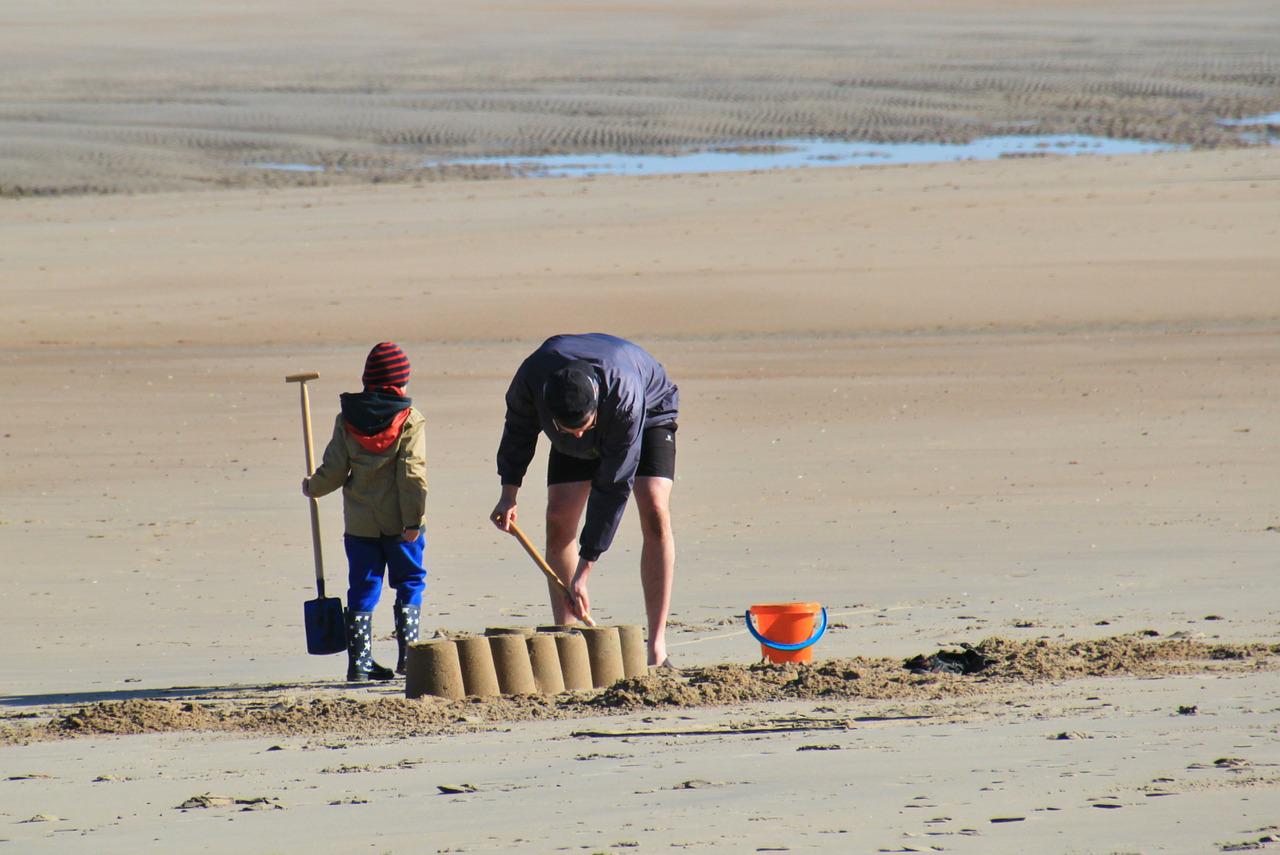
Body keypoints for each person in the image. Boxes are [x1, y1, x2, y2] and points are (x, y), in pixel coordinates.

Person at [491, 333, 679, 667]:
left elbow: (614, 485)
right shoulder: (532, 378)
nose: (578, 435)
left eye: (583, 428)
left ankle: (657, 647)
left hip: (649, 412)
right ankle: (570, 643)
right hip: (577, 408)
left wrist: (584, 569)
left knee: (653, 508)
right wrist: (509, 493)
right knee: (558, 518)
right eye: (568, 429)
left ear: (596, 409)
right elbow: (518, 428)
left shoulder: (624, 398)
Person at [302, 342, 428, 682]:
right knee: (410, 581)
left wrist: (312, 486)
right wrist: (414, 520)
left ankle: (359, 663)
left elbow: (333, 470)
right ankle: (410, 657)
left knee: (363, 586)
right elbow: (412, 475)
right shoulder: (409, 421)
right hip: (402, 524)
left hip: (360, 525)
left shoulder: (347, 420)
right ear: (400, 383)